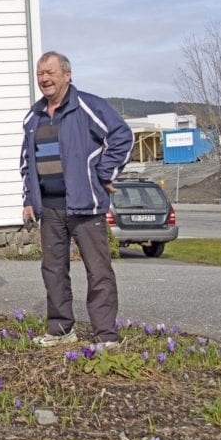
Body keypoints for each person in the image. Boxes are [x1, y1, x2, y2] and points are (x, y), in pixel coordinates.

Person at [20, 51, 133, 349]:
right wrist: (30, 198)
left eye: (50, 72)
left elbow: (122, 136)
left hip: (86, 205)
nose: (44, 78)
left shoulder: (88, 106)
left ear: (67, 75)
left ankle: (106, 335)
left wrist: (104, 171)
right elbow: (26, 162)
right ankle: (60, 329)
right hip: (51, 207)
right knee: (53, 270)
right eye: (40, 73)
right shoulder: (34, 116)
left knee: (98, 270)